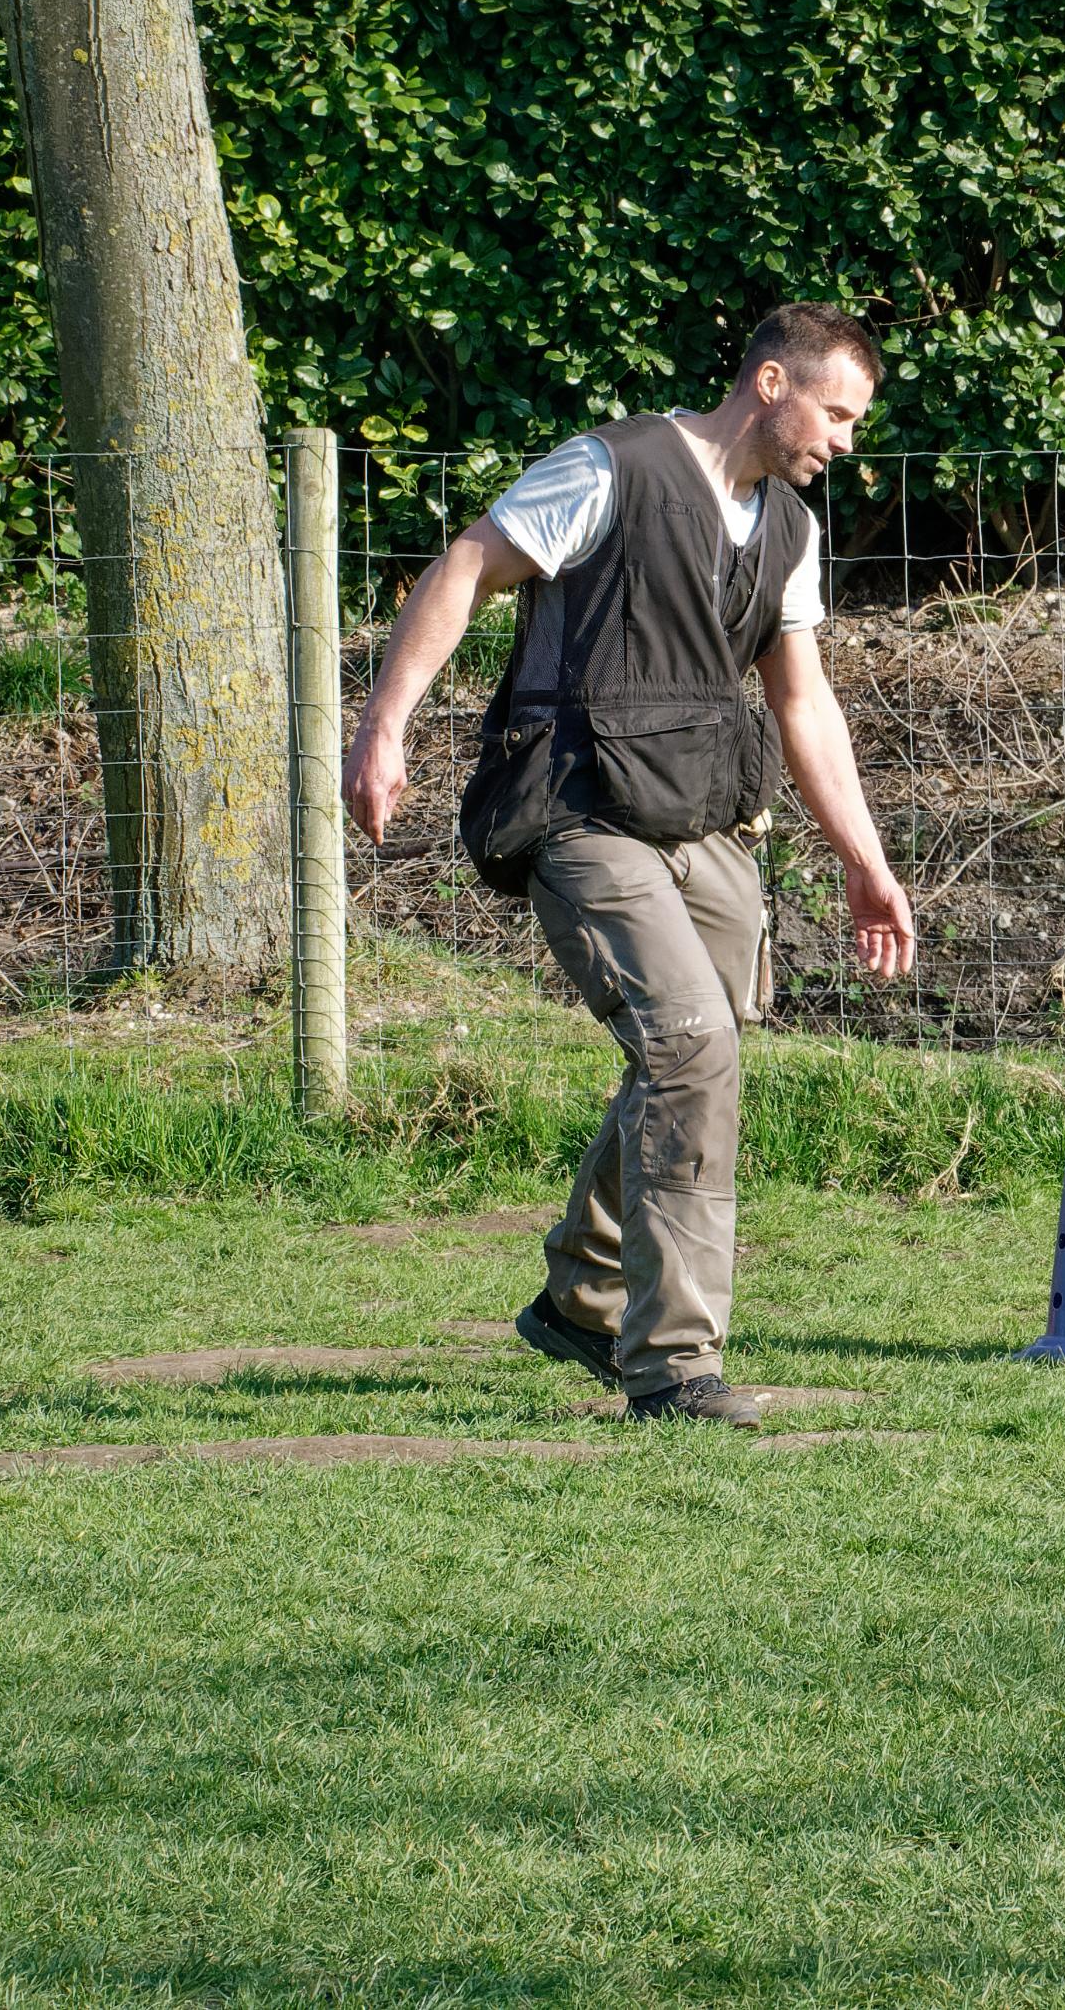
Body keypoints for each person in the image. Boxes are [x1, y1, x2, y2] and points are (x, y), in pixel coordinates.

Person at [342, 302, 917, 1426]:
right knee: (689, 1045)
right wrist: (384, 726)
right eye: (837, 413)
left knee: (705, 1044)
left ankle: (583, 1292)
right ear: (769, 384)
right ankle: (672, 1366)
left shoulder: (789, 529)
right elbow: (467, 565)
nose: (846, 441)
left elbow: (803, 703)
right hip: (577, 807)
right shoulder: (614, 467)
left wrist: (865, 859)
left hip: (700, 816)